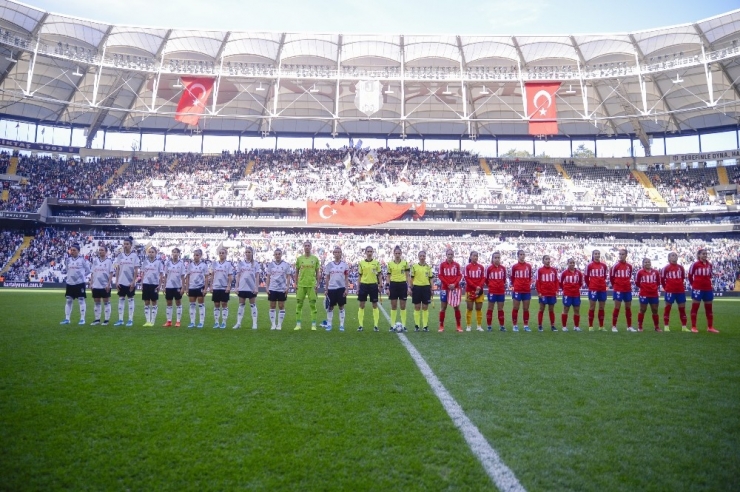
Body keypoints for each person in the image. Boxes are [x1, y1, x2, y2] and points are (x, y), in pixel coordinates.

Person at [60, 242, 90, 325]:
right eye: (71, 250)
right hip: (70, 283)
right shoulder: (68, 260)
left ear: (78, 251)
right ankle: (67, 319)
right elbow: (67, 270)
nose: (72, 251)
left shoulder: (82, 260)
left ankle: (82, 319)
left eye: (74, 250)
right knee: (68, 300)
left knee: (81, 300)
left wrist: (82, 277)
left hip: (80, 283)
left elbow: (88, 270)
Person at [688, 249, 718, 333]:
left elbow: (710, 276)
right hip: (697, 289)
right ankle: (693, 327)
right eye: (703, 254)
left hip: (708, 289)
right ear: (699, 255)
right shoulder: (695, 264)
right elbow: (690, 276)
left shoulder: (709, 265)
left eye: (706, 254)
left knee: (709, 308)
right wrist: (694, 285)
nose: (705, 255)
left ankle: (710, 327)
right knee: (695, 308)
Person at [113, 236, 140, 327]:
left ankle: (130, 320)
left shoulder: (134, 256)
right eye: (124, 244)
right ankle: (120, 320)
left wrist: (133, 281)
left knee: (130, 300)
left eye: (127, 244)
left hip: (130, 282)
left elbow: (136, 270)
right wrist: (116, 281)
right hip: (121, 281)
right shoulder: (120, 256)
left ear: (131, 245)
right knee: (121, 300)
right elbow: (118, 269)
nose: (125, 245)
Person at [294, 240, 321, 331]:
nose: (307, 247)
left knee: (313, 305)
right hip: (301, 285)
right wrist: (296, 283)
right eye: (305, 245)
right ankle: (298, 324)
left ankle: (313, 324)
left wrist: (317, 283)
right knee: (299, 305)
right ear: (303, 247)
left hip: (311, 285)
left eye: (308, 245)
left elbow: (318, 272)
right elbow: (296, 271)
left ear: (311, 247)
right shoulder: (299, 259)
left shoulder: (315, 259)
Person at [323, 246, 349, 331]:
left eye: (339, 252)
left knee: (341, 306)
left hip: (341, 288)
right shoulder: (329, 265)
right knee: (330, 307)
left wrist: (346, 289)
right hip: (331, 288)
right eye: (336, 252)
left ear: (341, 253)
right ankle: (329, 324)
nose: (337, 254)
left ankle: (341, 325)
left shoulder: (345, 265)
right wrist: (326, 289)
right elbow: (327, 278)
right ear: (333, 254)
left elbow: (346, 277)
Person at [265, 248, 293, 330]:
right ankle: (273, 324)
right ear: (274, 255)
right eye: (276, 254)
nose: (277, 255)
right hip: (272, 288)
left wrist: (287, 287)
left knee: (281, 306)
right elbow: (268, 277)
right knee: (272, 305)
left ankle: (279, 324)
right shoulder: (271, 265)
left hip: (282, 288)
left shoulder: (286, 265)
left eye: (279, 254)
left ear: (281, 255)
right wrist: (267, 287)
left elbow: (288, 276)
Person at [661, 252, 688, 332]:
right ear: (669, 258)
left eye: (676, 255)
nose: (675, 256)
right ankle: (666, 326)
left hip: (680, 291)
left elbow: (682, 278)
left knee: (682, 309)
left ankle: (684, 327)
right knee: (668, 308)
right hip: (670, 290)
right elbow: (662, 280)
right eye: (672, 255)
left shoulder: (681, 267)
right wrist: (666, 288)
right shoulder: (666, 268)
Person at [234, 246, 260, 330]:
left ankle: (254, 324)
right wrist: (236, 287)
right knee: (241, 305)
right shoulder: (241, 263)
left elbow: (257, 276)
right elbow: (238, 275)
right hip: (242, 287)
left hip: (251, 287)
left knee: (253, 305)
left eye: (249, 252)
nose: (247, 254)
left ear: (252, 253)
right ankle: (238, 323)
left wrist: (256, 287)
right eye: (246, 252)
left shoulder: (255, 263)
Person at [357, 245, 382, 332]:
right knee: (362, 305)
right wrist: (358, 287)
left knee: (374, 305)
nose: (369, 253)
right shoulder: (361, 263)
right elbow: (359, 276)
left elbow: (379, 274)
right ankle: (360, 325)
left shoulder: (376, 263)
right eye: (368, 251)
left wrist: (380, 285)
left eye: (371, 251)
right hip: (364, 285)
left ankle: (376, 325)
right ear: (365, 252)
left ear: (373, 252)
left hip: (373, 285)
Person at [386, 245, 411, 332]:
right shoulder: (390, 264)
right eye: (396, 253)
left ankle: (403, 326)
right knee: (393, 305)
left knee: (403, 306)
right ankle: (392, 325)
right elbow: (388, 276)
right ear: (394, 254)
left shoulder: (405, 263)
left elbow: (408, 276)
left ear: (401, 254)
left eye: (399, 253)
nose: (397, 255)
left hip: (402, 285)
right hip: (393, 285)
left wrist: (409, 287)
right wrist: (387, 287)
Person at [209, 247, 234, 329]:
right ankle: (216, 322)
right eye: (220, 253)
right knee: (216, 304)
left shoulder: (228, 264)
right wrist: (211, 285)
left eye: (223, 253)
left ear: (226, 254)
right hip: (216, 287)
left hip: (224, 287)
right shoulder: (214, 264)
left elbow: (230, 276)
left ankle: (223, 322)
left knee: (224, 304)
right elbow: (212, 275)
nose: (221, 254)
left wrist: (229, 286)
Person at [438, 248, 463, 332]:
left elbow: (459, 275)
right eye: (448, 254)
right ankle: (441, 326)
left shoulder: (457, 265)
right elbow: (440, 276)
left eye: (451, 254)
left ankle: (458, 326)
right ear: (446, 255)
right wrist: (448, 284)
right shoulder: (442, 265)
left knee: (456, 307)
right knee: (443, 307)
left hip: (455, 288)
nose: (450, 256)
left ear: (453, 255)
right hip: (445, 288)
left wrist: (454, 284)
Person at [609, 248, 634, 333]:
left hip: (627, 289)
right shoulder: (615, 266)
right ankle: (614, 326)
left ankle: (629, 326)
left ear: (626, 255)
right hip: (618, 289)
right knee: (617, 307)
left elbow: (629, 276)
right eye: (620, 254)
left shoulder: (629, 266)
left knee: (628, 307)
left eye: (623, 254)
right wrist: (616, 286)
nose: (621, 255)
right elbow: (611, 278)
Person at [162, 247, 187, 327]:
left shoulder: (181, 264)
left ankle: (178, 321)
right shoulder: (168, 263)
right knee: (169, 303)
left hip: (177, 286)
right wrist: (164, 286)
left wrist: (183, 287)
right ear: (171, 254)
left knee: (178, 303)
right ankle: (169, 321)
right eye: (173, 252)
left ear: (179, 254)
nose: (175, 254)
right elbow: (165, 275)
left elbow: (183, 277)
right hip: (169, 286)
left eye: (176, 252)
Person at [90, 245, 114, 326]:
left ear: (106, 252)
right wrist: (91, 283)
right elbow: (92, 273)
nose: (100, 251)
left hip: (105, 285)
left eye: (102, 250)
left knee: (106, 302)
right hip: (96, 285)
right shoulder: (95, 261)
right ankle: (97, 319)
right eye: (99, 250)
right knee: (97, 302)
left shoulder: (109, 261)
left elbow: (111, 273)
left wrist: (108, 283)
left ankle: (106, 320)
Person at [410, 250, 434, 332]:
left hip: (426, 288)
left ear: (425, 257)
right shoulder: (414, 267)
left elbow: (431, 278)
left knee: (425, 307)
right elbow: (411, 278)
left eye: (423, 256)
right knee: (417, 307)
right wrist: (410, 288)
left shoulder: (428, 267)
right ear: (418, 257)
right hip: (417, 288)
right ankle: (417, 326)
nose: (422, 257)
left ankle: (425, 326)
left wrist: (432, 288)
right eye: (421, 256)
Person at [140, 246, 164, 327]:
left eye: (152, 252)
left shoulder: (159, 263)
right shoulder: (145, 262)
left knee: (154, 302)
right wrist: (142, 284)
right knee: (146, 302)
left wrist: (160, 285)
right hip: (146, 284)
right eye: (149, 252)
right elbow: (142, 273)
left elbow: (161, 275)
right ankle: (147, 321)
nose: (151, 253)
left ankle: (152, 321)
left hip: (154, 284)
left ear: (156, 253)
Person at [185, 248, 209, 328]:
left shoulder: (204, 265)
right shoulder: (190, 265)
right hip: (192, 287)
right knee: (192, 305)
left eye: (197, 255)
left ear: (201, 256)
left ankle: (201, 322)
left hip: (200, 287)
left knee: (201, 305)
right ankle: (192, 322)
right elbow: (188, 277)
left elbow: (206, 277)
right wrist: (187, 288)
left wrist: (205, 288)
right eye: (194, 255)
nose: (195, 257)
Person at [585, 249, 608, 332]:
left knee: (602, 307)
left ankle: (601, 326)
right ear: (593, 255)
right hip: (593, 289)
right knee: (592, 307)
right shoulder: (589, 265)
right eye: (596, 254)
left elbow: (604, 276)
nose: (597, 255)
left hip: (602, 288)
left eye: (598, 254)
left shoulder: (604, 265)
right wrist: (590, 285)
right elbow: (586, 277)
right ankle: (590, 326)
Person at [510, 250, 533, 332]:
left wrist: (528, 284)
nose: (522, 256)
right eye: (521, 254)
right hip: (517, 290)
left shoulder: (529, 266)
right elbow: (512, 277)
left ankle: (526, 325)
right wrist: (515, 285)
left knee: (526, 308)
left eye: (523, 254)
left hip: (526, 290)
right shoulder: (515, 266)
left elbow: (530, 277)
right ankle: (515, 325)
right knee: (516, 307)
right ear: (518, 256)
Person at [635, 258, 661, 332]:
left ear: (651, 263)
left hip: (654, 294)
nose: (647, 263)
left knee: (655, 310)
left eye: (648, 262)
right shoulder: (640, 272)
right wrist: (644, 287)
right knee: (642, 309)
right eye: (645, 262)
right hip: (644, 293)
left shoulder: (656, 272)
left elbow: (658, 282)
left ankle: (656, 327)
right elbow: (637, 283)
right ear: (643, 264)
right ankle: (640, 327)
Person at [535, 255, 559, 332]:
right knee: (541, 309)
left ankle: (552, 326)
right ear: (543, 261)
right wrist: (539, 292)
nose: (548, 260)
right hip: (543, 293)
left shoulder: (554, 270)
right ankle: (540, 326)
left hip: (552, 293)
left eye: (549, 259)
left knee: (551, 309)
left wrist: (556, 291)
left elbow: (556, 281)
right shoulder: (540, 270)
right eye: (546, 259)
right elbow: (538, 282)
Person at [463, 251, 485, 332]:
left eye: (477, 256)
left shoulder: (481, 267)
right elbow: (467, 278)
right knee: (469, 307)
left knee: (479, 308)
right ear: (470, 257)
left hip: (479, 291)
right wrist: (476, 286)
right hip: (470, 290)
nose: (476, 257)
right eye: (474, 256)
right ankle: (468, 326)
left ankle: (479, 326)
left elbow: (483, 277)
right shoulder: (467, 267)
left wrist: (479, 287)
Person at [560, 258, 584, 332]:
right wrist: (566, 289)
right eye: (570, 263)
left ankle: (576, 326)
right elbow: (560, 283)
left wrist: (576, 288)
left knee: (577, 309)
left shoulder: (579, 273)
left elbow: (580, 283)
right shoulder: (564, 273)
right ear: (568, 263)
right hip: (567, 293)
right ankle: (564, 326)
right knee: (566, 309)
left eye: (573, 262)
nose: (572, 264)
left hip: (576, 294)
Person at [485, 251, 507, 332]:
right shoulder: (489, 268)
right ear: (492, 259)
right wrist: (491, 285)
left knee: (500, 309)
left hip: (501, 291)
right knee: (490, 308)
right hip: (492, 291)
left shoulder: (503, 268)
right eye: (495, 258)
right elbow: (486, 280)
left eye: (498, 257)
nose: (497, 259)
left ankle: (501, 326)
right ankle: (489, 326)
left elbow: (504, 280)